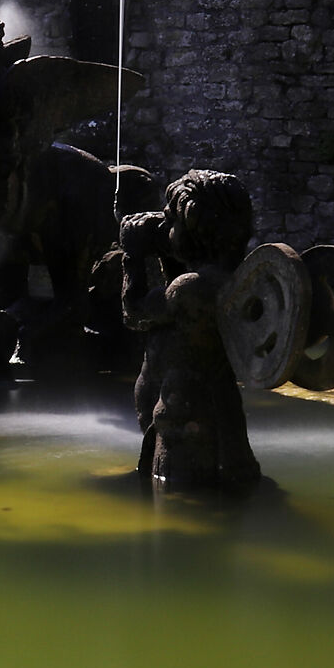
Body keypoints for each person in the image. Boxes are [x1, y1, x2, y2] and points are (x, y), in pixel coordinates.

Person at [120, 169, 261, 491]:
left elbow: (134, 312)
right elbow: (174, 310)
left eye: (170, 222)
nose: (161, 227)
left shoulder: (192, 288)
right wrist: (167, 247)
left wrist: (132, 253)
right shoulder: (223, 281)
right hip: (200, 424)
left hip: (185, 437)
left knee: (183, 508)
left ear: (196, 228)